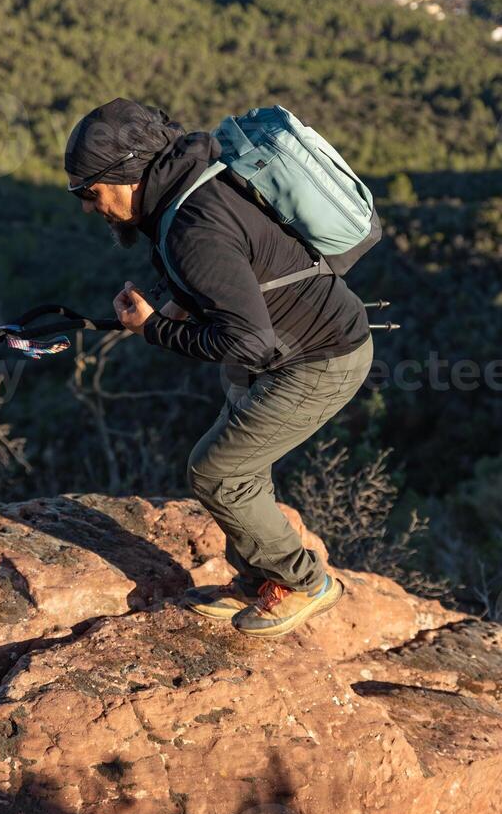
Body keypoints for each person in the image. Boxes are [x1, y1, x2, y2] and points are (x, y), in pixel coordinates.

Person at [64, 97, 374, 639]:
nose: (88, 207)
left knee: (218, 471)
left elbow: (247, 340)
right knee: (239, 460)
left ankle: (302, 583)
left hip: (317, 359)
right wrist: (167, 302)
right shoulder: (186, 187)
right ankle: (260, 579)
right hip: (289, 346)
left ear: (127, 174)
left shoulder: (191, 229)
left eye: (87, 192)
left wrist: (152, 328)